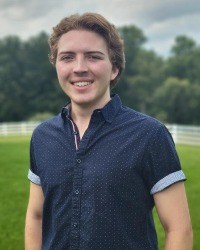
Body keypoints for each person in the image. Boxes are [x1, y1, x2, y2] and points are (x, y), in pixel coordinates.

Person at [25, 13, 193, 250]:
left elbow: (179, 229)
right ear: (56, 66)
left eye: (93, 57)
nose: (79, 68)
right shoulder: (42, 137)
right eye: (67, 57)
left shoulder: (149, 135)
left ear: (114, 69)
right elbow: (36, 216)